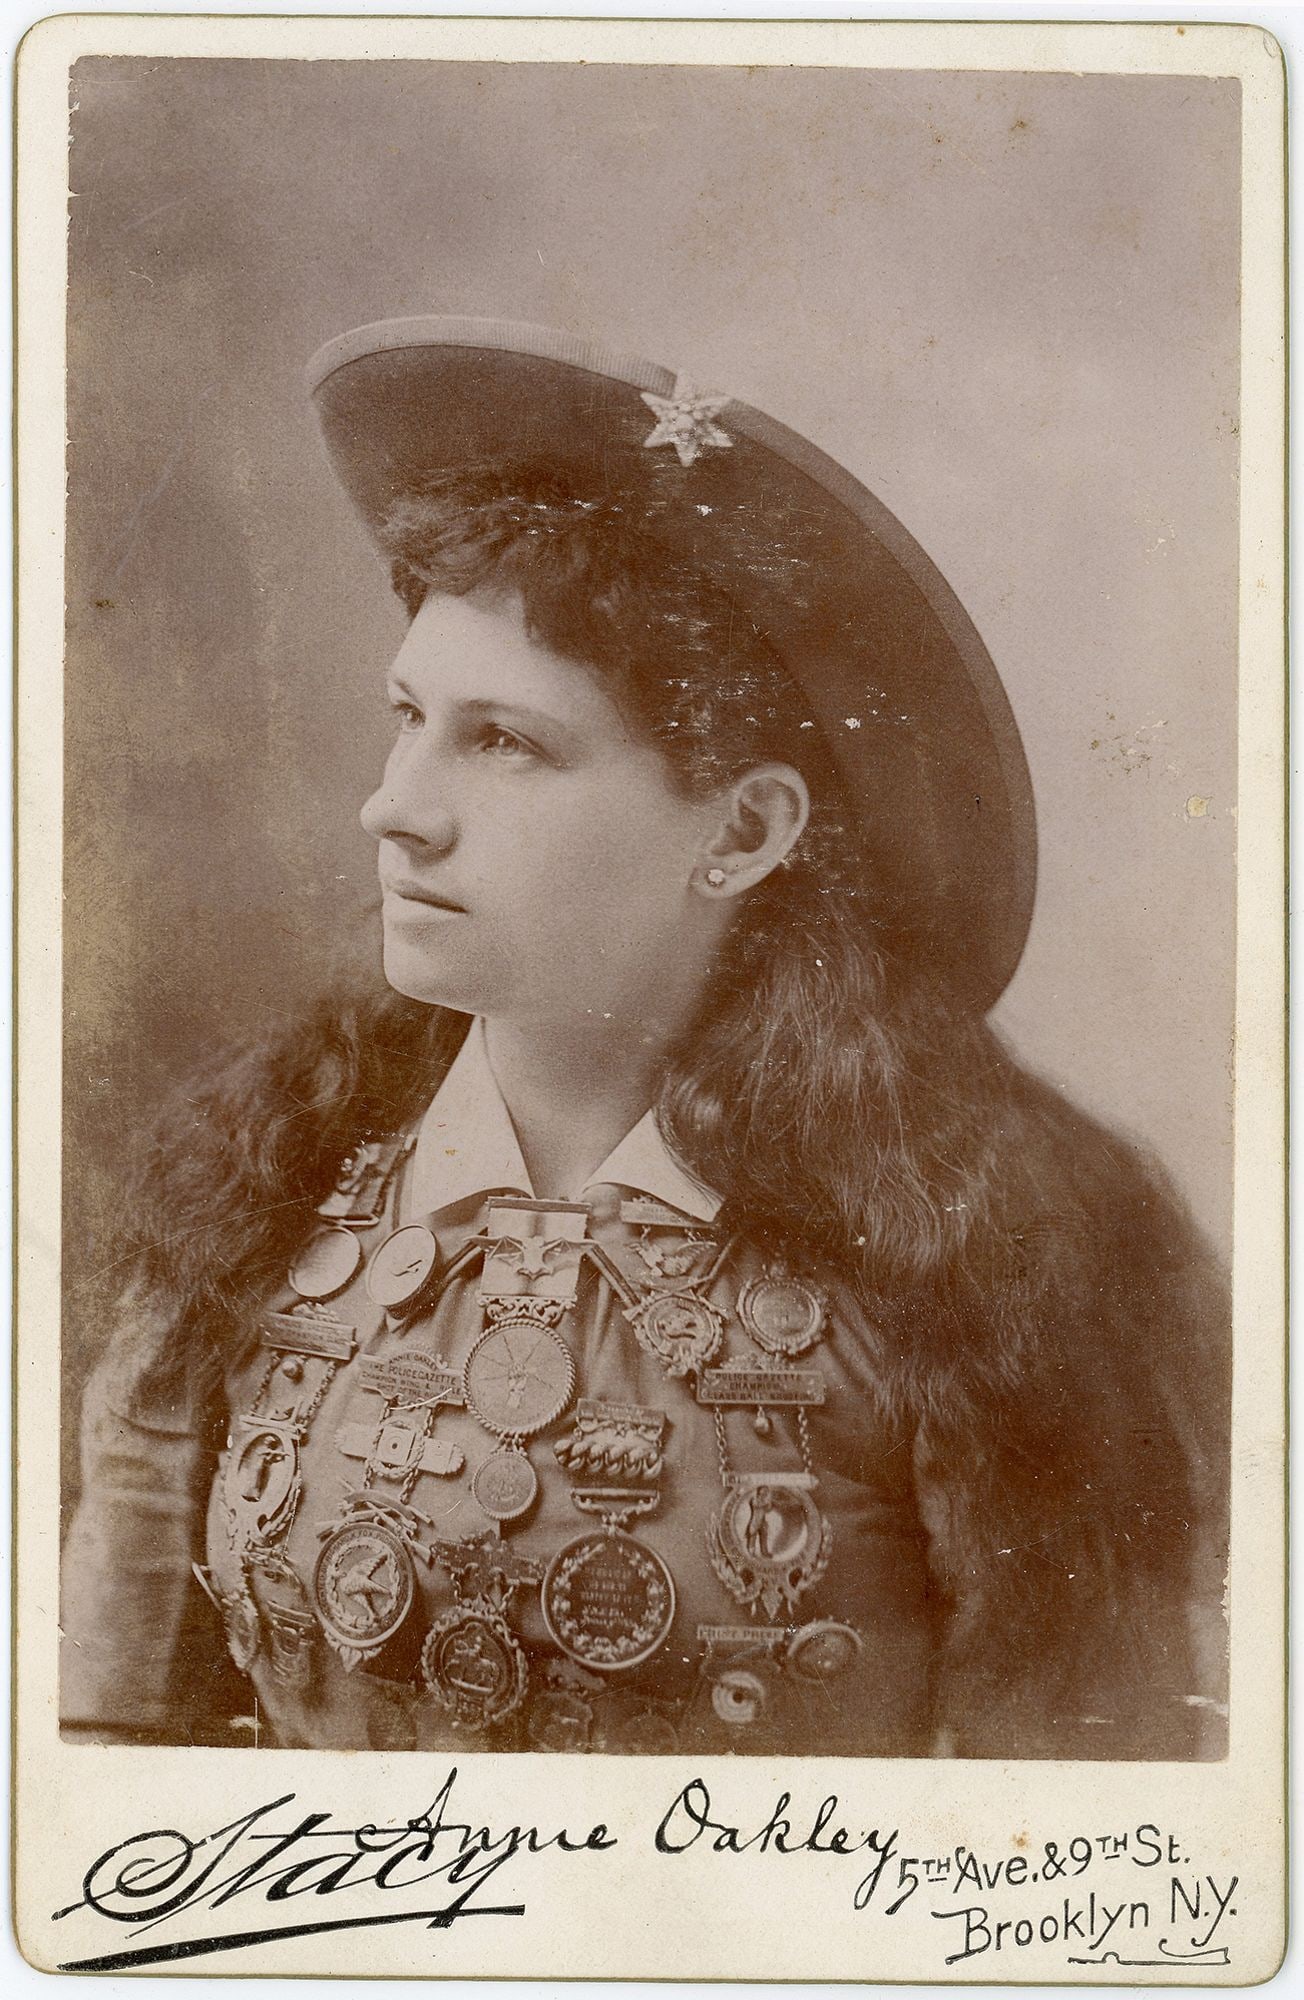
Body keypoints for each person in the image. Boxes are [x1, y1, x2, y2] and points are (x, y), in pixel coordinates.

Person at [60, 316, 1228, 1758]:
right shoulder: (255, 1184)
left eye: (506, 744)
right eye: (409, 716)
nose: (395, 806)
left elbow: (1065, 1882)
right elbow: (100, 1787)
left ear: (742, 830)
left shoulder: (989, 1261)